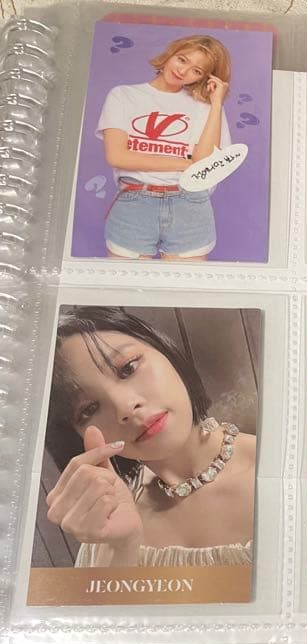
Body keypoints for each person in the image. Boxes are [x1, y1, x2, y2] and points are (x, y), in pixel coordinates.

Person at [44, 306, 255, 568]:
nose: (125, 407)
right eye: (88, 409)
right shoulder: (109, 526)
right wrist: (121, 549)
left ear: (164, 349)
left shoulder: (287, 473)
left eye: (128, 368)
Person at [97, 35, 231, 259]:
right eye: (182, 59)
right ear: (171, 53)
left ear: (205, 78)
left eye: (197, 71)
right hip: (135, 201)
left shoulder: (205, 107)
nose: (183, 71)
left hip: (190, 204)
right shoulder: (124, 95)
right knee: (124, 282)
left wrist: (216, 103)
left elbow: (204, 165)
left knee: (184, 283)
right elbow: (117, 156)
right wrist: (186, 164)